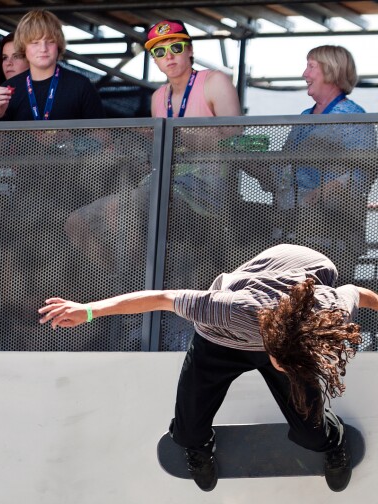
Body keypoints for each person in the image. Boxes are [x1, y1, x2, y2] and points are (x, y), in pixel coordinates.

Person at [39, 243, 376, 492]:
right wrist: (88, 311)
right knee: (186, 434)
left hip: (310, 270)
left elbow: (358, 292)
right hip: (220, 341)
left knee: (313, 434)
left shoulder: (326, 309)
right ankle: (200, 447)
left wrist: (297, 367)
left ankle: (332, 443)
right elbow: (161, 298)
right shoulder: (226, 309)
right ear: (272, 345)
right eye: (283, 363)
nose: (286, 369)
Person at [64, 19, 241, 279]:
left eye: (176, 48)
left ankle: (138, 288)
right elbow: (160, 155)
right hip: (157, 184)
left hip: (203, 192)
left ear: (190, 50)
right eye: (159, 52)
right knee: (76, 222)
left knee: (122, 208)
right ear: (155, 60)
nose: (168, 57)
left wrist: (185, 138)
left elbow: (238, 141)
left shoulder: (214, 82)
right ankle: (122, 284)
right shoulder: (159, 97)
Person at [256, 45, 375, 283]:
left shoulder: (354, 117)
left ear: (331, 70)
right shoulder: (304, 117)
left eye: (311, 67)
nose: (304, 74)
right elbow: (283, 171)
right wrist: (257, 166)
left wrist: (318, 194)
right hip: (291, 230)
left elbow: (364, 173)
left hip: (333, 232)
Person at [0, 9, 104, 122]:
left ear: (58, 45)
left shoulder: (81, 86)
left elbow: (103, 137)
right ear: (23, 47)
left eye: (50, 41)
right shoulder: (8, 89)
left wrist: (71, 139)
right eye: (35, 43)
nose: (43, 49)